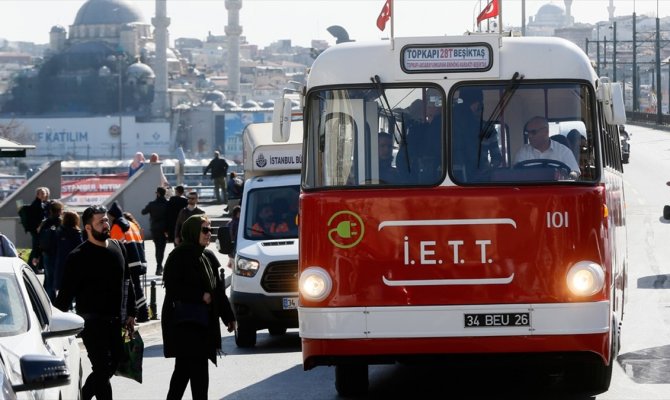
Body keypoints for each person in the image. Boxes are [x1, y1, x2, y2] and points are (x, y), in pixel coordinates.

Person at [54, 205, 136, 400]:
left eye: (106, 220)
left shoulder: (118, 247)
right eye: (101, 222)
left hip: (116, 321)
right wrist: (55, 323)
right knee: (102, 367)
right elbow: (64, 297)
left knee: (112, 365)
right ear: (88, 228)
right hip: (92, 323)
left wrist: (132, 312)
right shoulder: (77, 257)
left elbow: (128, 282)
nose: (106, 224)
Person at [161, 214, 236, 400]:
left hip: (204, 323)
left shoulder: (208, 256)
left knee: (185, 371)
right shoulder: (179, 255)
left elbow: (218, 290)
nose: (208, 233)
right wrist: (199, 295)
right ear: (193, 231)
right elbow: (172, 286)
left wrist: (229, 317)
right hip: (185, 323)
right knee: (196, 371)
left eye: (210, 230)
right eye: (205, 230)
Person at [109, 202, 150, 322]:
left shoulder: (117, 226)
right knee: (137, 288)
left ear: (112, 216)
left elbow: (116, 247)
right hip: (139, 260)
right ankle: (143, 312)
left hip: (129, 262)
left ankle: (140, 313)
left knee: (132, 290)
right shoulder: (132, 224)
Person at [452, 88, 502, 180]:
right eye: (478, 104)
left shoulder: (446, 124)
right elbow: (497, 158)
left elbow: (496, 158)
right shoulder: (487, 128)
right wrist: (488, 168)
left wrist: (489, 168)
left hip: (453, 177)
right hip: (479, 178)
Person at [513, 116, 581, 177]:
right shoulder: (522, 152)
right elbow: (516, 175)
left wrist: (567, 175)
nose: (529, 136)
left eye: (533, 132)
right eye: (527, 133)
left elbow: (575, 173)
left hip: (556, 189)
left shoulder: (563, 151)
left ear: (546, 132)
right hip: (530, 190)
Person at [37, 199, 63, 301]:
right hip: (58, 254)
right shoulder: (61, 222)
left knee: (48, 279)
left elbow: (39, 239)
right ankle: (53, 302)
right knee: (57, 279)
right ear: (60, 210)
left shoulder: (45, 222)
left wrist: (37, 254)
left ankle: (47, 301)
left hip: (46, 253)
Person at [54, 210, 83, 299]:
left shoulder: (58, 231)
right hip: (74, 262)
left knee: (62, 287)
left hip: (60, 261)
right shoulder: (77, 233)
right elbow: (80, 248)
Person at [141, 186, 169, 275]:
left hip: (155, 228)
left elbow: (143, 212)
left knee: (157, 248)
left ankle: (159, 266)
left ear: (158, 193)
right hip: (165, 229)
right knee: (162, 248)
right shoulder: (167, 204)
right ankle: (159, 266)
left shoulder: (152, 204)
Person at [26, 187, 49, 272]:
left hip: (36, 230)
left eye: (44, 193)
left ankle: (33, 267)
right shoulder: (37, 204)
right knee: (36, 249)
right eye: (42, 193)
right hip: (37, 230)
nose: (44, 194)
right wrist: (39, 226)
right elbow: (38, 218)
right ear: (37, 194)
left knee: (36, 248)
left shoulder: (40, 203)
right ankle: (31, 267)